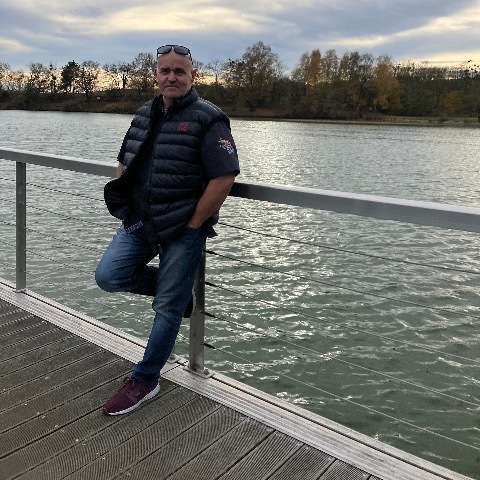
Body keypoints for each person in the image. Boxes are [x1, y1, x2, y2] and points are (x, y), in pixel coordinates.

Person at [95, 44, 240, 416]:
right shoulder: (145, 113)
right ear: (156, 75)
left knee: (166, 308)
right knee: (109, 276)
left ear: (193, 75)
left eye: (179, 71)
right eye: (165, 70)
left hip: (182, 229)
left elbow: (224, 177)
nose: (171, 77)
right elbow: (124, 160)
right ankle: (178, 295)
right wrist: (128, 205)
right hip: (141, 221)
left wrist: (193, 224)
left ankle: (145, 379)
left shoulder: (210, 118)